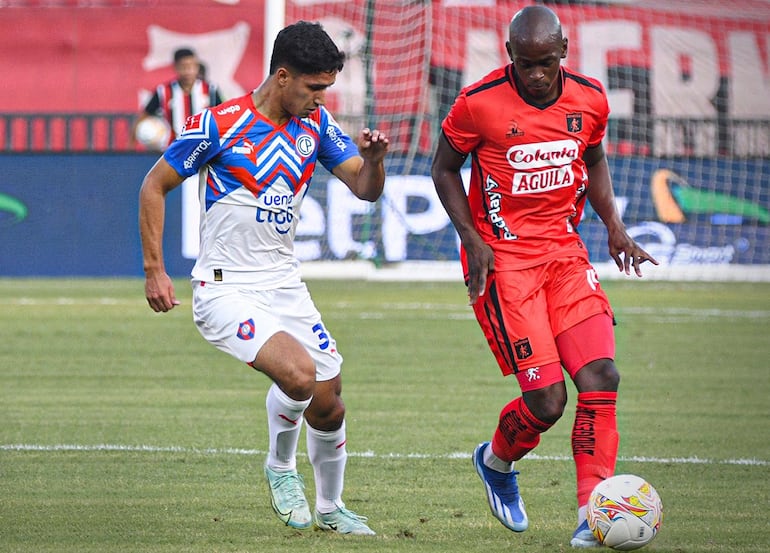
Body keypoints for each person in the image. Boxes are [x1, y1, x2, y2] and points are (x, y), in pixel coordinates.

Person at [138, 21, 389, 535]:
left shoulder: (315, 126)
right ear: (282, 76)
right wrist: (155, 269)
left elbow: (364, 188)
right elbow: (153, 186)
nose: (321, 99)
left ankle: (331, 508)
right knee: (298, 374)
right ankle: (279, 467)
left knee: (329, 398)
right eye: (314, 87)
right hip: (225, 288)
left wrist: (377, 161)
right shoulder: (218, 124)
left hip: (284, 285)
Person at [431, 5, 658, 548]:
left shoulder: (590, 97)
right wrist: (472, 240)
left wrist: (614, 226)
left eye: (545, 63)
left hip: (565, 254)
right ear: (510, 55)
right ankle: (496, 463)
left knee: (601, 376)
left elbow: (595, 159)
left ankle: (591, 512)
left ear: (563, 51)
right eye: (526, 64)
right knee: (548, 403)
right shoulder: (478, 104)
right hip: (504, 262)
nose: (536, 75)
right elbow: (442, 168)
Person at [133, 47, 224, 150]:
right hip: (173, 149)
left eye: (191, 66)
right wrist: (131, 146)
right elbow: (144, 115)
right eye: (183, 67)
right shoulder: (163, 91)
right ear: (175, 67)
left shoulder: (211, 89)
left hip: (203, 149)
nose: (188, 71)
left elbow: (223, 115)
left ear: (197, 67)